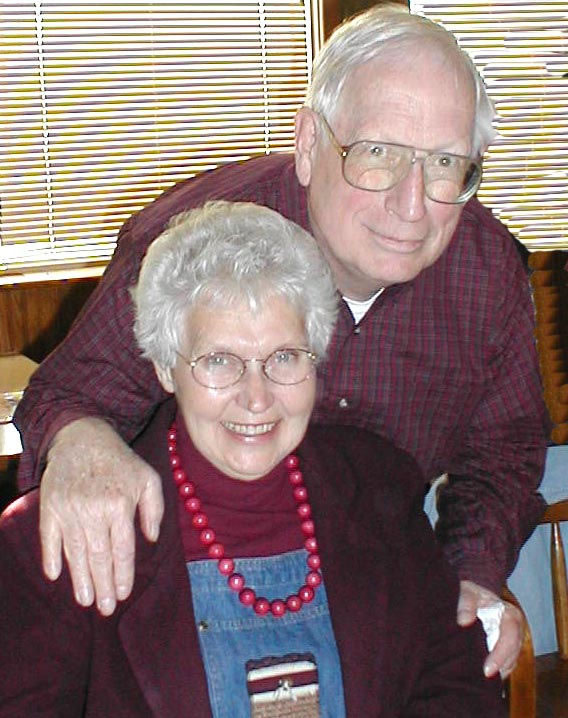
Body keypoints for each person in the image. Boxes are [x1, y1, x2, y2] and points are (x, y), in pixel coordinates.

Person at [14, 4, 549, 681]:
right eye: (377, 155)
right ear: (308, 143)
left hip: (371, 596)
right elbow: (63, 397)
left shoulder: (486, 273)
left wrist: (467, 573)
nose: (412, 204)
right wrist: (82, 440)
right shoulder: (192, 248)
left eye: (445, 164)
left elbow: (504, 451)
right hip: (186, 600)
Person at [0, 202, 506, 716]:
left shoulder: (380, 485)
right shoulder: (61, 536)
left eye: (284, 357)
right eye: (220, 361)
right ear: (166, 368)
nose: (257, 398)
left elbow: (457, 687)